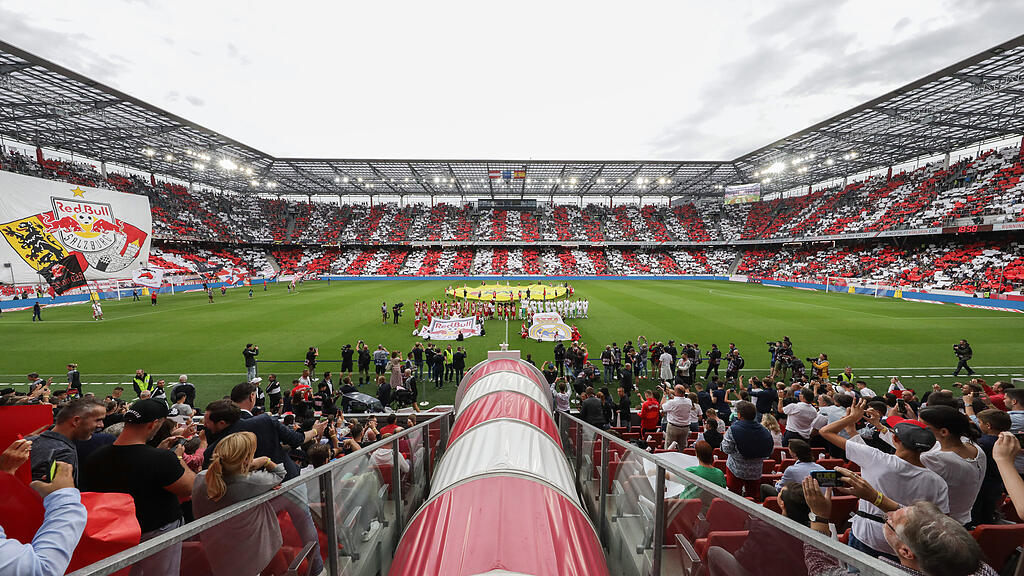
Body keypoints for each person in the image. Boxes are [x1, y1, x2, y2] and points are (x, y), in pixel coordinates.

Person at [817, 399, 948, 560]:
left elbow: (825, 432)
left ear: (896, 440)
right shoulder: (938, 482)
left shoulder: (876, 458)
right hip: (907, 545)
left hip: (867, 537)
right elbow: (941, 521)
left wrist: (852, 418)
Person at [81, 399, 195, 576]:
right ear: (153, 424)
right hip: (157, 533)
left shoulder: (95, 457)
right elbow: (189, 487)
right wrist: (177, 458)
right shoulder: (162, 459)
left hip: (115, 533)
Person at [191, 431, 286, 576]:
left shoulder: (201, 478)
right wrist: (264, 461)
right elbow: (280, 474)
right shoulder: (250, 482)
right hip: (246, 553)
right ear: (246, 459)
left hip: (216, 549)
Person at [0, 442, 87, 576]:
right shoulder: (65, 451)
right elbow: (41, 570)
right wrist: (63, 496)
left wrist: (6, 475)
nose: (101, 425)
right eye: (98, 419)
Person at [917, 405, 985, 525]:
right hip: (964, 518)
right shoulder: (973, 447)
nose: (917, 429)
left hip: (941, 525)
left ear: (944, 432)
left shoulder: (935, 459)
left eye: (923, 427)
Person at [29, 397, 106, 485]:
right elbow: (57, 496)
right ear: (76, 421)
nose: (101, 425)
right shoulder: (63, 453)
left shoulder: (30, 441)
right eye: (98, 420)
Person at [720, 401, 774, 501]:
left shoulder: (733, 429)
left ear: (739, 415)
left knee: (733, 496)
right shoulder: (765, 430)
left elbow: (726, 449)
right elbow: (769, 452)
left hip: (736, 470)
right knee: (754, 497)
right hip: (755, 471)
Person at [662, 385, 693, 450]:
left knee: (669, 447)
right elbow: (678, 399)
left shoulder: (672, 402)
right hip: (685, 428)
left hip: (673, 427)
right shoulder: (688, 401)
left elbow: (663, 406)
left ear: (676, 392)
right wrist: (671, 394)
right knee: (683, 447)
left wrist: (666, 396)